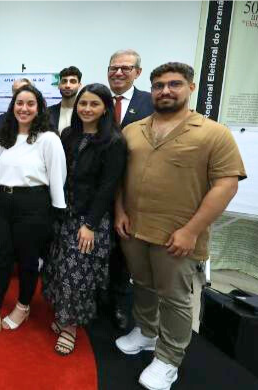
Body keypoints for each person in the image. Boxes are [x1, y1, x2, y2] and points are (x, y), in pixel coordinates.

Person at [114, 63, 245, 390]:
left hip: (178, 235)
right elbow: (118, 176)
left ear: (191, 87)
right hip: (134, 229)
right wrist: (119, 211)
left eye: (174, 84)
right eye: (159, 85)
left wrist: (191, 231)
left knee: (174, 298)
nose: (165, 91)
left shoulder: (213, 133)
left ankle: (169, 358)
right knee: (141, 285)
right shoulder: (133, 130)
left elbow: (226, 185)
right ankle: (147, 332)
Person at [0, 85, 66, 341]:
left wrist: (57, 212)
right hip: (2, 202)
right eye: (19, 103)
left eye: (30, 104)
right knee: (0, 258)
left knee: (28, 261)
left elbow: (58, 177)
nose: (24, 108)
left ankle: (23, 307)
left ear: (39, 107)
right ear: (13, 106)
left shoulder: (48, 139)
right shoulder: (6, 135)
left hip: (34, 205)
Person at [42, 83, 127, 355]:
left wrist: (89, 225)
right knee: (58, 269)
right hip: (63, 214)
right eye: (83, 103)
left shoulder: (114, 142)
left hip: (89, 220)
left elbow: (108, 187)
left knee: (76, 275)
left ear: (105, 109)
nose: (87, 109)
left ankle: (70, 327)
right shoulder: (69, 135)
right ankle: (62, 315)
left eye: (94, 104)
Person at [105, 49, 155, 330]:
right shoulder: (98, 99)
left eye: (125, 68)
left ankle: (119, 304)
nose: (119, 73)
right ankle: (95, 298)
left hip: (133, 191)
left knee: (125, 253)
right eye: (114, 68)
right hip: (99, 191)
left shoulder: (150, 102)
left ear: (138, 72)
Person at [47, 66, 82, 133]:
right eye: (64, 81)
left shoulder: (84, 112)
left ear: (79, 85)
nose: (67, 85)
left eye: (73, 81)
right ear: (59, 85)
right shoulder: (47, 112)